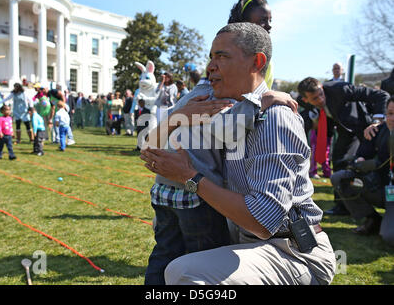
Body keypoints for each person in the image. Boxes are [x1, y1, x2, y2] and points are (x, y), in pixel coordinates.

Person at [141, 22, 336, 285]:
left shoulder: (274, 118)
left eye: (221, 56)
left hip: (292, 252)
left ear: (256, 62)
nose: (210, 66)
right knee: (171, 269)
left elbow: (263, 221)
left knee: (185, 272)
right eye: (211, 57)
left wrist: (189, 177)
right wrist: (176, 118)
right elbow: (148, 148)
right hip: (250, 244)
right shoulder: (224, 111)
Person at [297, 77, 390, 216]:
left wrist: (377, 121)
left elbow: (382, 95)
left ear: (322, 87)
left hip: (365, 127)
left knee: (360, 164)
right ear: (306, 100)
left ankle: (371, 205)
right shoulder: (301, 101)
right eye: (315, 99)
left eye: (321, 94)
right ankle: (343, 205)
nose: (321, 100)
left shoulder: (340, 89)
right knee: (338, 161)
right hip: (345, 130)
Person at [330, 96, 394, 235]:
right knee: (341, 178)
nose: (392, 119)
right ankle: (372, 219)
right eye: (390, 114)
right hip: (380, 188)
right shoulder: (378, 130)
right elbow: (364, 152)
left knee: (389, 237)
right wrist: (361, 160)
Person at [228, 0, 273, 89]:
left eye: (270, 20)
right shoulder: (223, 50)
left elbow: (263, 95)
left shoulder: (267, 60)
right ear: (245, 23)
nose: (269, 26)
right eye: (263, 20)